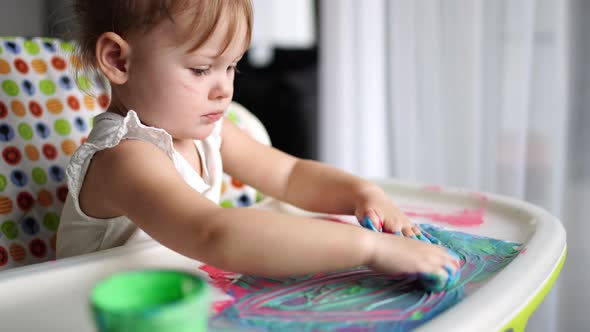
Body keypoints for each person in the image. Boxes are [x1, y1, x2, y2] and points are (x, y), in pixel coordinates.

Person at [57, 0, 459, 280]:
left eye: (231, 66)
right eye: (200, 69)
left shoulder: (211, 132)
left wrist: (360, 193)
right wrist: (369, 250)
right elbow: (213, 234)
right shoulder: (124, 158)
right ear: (118, 60)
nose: (224, 90)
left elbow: (289, 176)